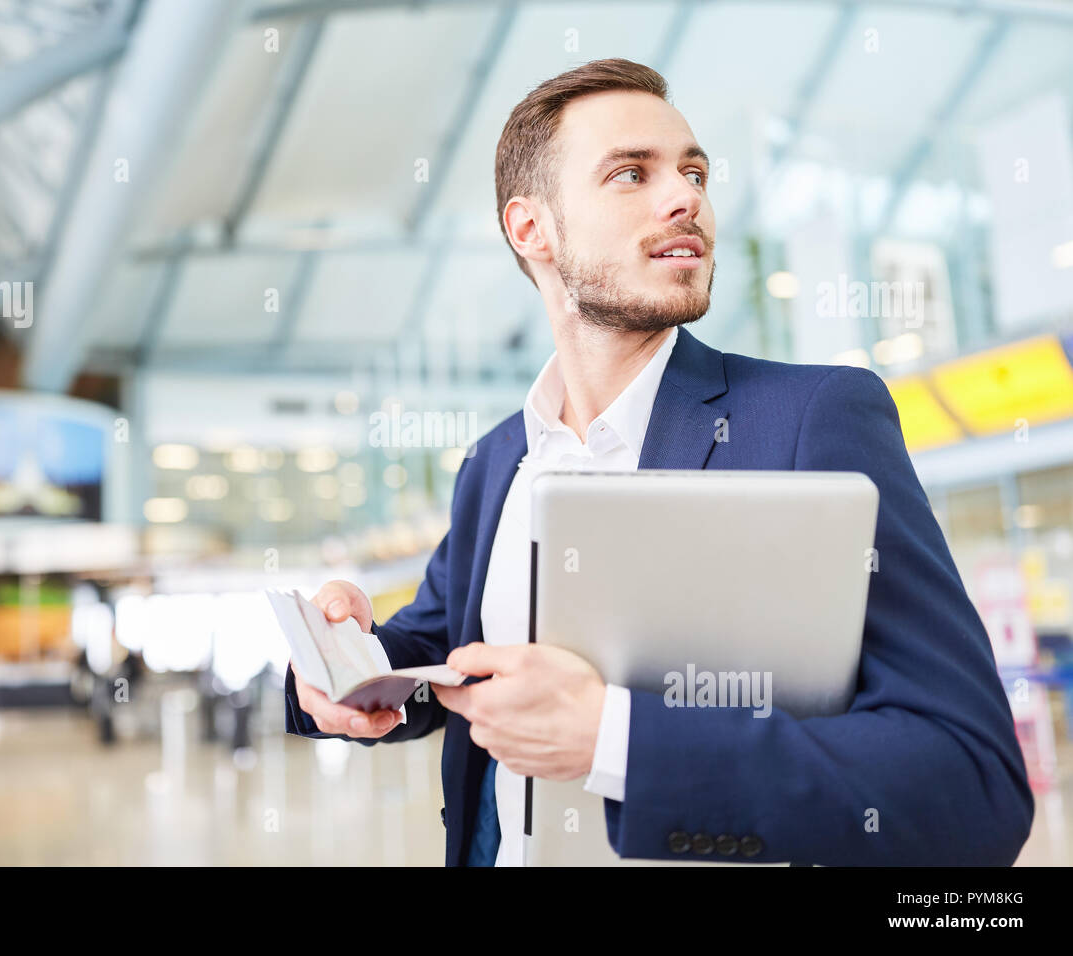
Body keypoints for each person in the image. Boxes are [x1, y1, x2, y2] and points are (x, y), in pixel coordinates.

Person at [284, 59, 1033, 866]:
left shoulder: (814, 420)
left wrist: (615, 738)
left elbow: (971, 780)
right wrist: (340, 665)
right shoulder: (498, 460)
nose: (686, 199)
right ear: (530, 229)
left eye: (694, 172)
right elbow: (436, 658)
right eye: (631, 173)